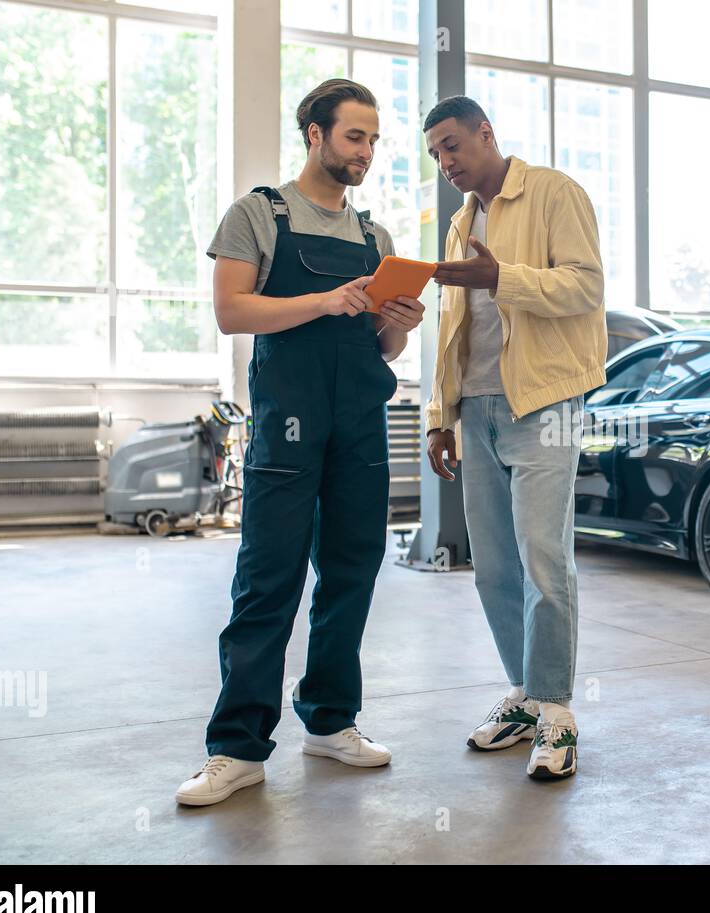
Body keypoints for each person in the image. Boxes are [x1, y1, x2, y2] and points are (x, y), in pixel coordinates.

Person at [177, 79, 424, 807]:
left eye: (375, 139)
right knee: (268, 577)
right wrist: (325, 299)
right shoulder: (259, 213)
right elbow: (231, 311)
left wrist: (400, 320)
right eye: (355, 136)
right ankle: (236, 748)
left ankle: (331, 720)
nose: (367, 152)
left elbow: (382, 349)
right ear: (314, 134)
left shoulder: (375, 238)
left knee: (351, 571)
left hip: (360, 425)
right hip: (288, 422)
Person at [422, 95, 607, 780]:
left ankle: (557, 710)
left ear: (485, 133)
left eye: (451, 145)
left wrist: (504, 277)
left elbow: (586, 288)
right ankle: (526, 697)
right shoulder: (460, 221)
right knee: (494, 564)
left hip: (548, 401)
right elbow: (451, 329)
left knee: (542, 556)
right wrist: (440, 414)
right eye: (436, 154)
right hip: (477, 407)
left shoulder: (555, 193)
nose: (445, 162)